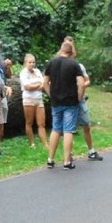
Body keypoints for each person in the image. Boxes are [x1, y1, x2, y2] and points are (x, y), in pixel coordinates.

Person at [43, 41, 85, 170]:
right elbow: (81, 83)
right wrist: (79, 97)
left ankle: (50, 159)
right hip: (70, 101)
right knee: (68, 130)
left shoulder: (52, 63)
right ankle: (67, 161)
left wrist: (51, 95)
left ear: (60, 50)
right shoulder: (74, 64)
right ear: (71, 51)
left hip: (56, 101)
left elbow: (45, 82)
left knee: (56, 129)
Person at [63, 36, 103, 161]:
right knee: (69, 129)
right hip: (68, 100)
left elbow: (87, 81)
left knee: (86, 125)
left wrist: (80, 86)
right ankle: (69, 155)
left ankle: (91, 151)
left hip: (80, 100)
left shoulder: (79, 66)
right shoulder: (61, 66)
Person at [19, 54, 47, 148]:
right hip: (28, 100)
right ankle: (32, 143)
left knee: (41, 123)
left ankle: (45, 143)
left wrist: (37, 86)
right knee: (29, 122)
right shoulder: (23, 73)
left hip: (39, 99)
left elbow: (44, 84)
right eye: (30, 62)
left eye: (33, 62)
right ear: (26, 63)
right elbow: (27, 87)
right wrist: (38, 85)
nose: (32, 64)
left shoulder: (37, 71)